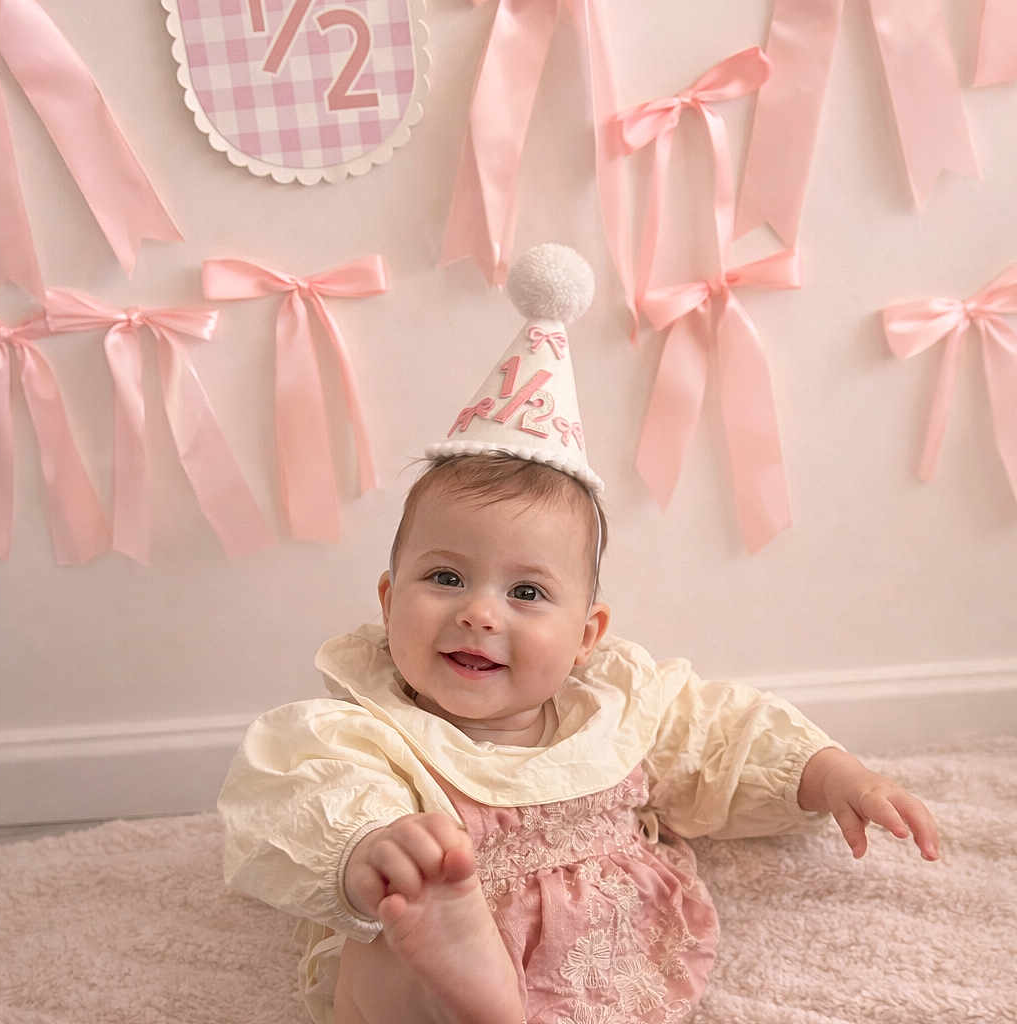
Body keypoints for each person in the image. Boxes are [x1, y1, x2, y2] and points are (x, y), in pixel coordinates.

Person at [217, 245, 941, 1024]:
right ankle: (462, 971)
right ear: (390, 600)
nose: (479, 614)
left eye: (526, 591)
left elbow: (725, 737)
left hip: (595, 942)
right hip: (440, 922)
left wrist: (834, 776)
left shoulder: (619, 706)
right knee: (387, 941)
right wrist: (372, 849)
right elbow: (305, 787)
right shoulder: (367, 730)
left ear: (586, 634)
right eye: (445, 578)